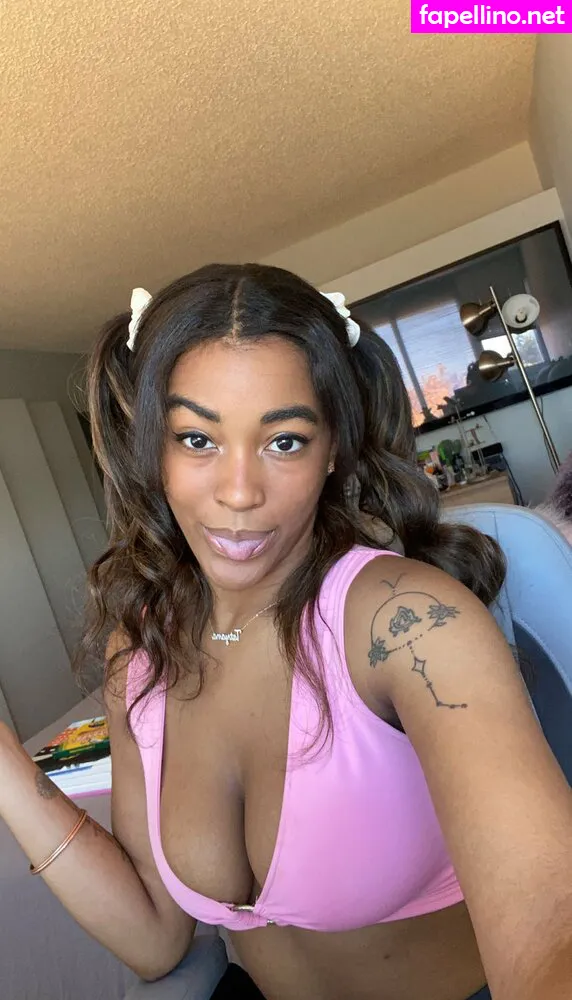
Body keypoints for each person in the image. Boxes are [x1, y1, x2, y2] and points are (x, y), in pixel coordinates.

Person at [1, 263, 571, 1000]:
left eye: (285, 441)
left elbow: (552, 924)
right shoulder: (141, 650)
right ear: (153, 451)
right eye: (197, 439)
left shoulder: (408, 624)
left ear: (333, 448)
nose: (239, 493)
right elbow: (155, 937)